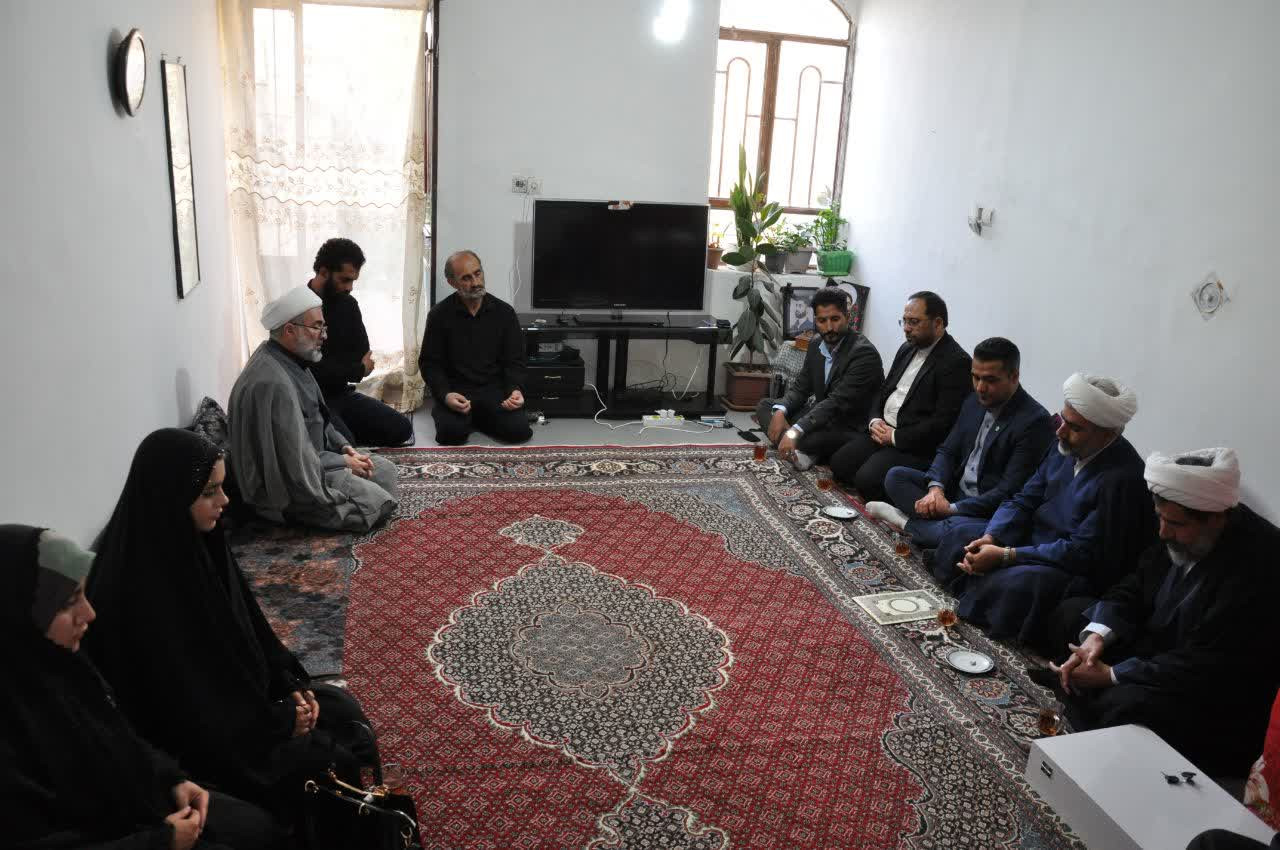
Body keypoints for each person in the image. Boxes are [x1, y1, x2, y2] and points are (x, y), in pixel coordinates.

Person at [84, 429, 380, 815]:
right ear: (172, 494)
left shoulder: (199, 541)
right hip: (199, 742)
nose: (224, 500)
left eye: (222, 488)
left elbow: (250, 629)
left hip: (240, 705)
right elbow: (186, 705)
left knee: (340, 709)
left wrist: (286, 684)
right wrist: (276, 722)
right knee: (323, 765)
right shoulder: (137, 588)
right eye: (209, 492)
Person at [1, 523, 284, 849]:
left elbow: (118, 738)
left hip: (137, 808)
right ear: (19, 615)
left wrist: (171, 779)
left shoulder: (64, 666)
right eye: (68, 603)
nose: (89, 614)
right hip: (121, 836)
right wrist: (160, 841)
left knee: (260, 826)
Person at [1037, 448, 1280, 778]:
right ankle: (1087, 686)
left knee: (1126, 703)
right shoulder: (1181, 527)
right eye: (1160, 519)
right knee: (1071, 616)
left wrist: (1112, 674)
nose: (1163, 533)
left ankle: (1091, 697)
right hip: (1158, 648)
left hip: (1208, 689)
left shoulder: (1260, 566)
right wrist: (1097, 638)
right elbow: (1135, 586)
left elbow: (1209, 665)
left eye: (1174, 524)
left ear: (1215, 519)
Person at [932, 372, 1157, 647]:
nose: (1060, 431)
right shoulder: (1064, 446)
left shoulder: (1123, 479)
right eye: (1062, 420)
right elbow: (1025, 498)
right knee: (960, 535)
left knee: (1016, 583)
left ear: (1107, 434)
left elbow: (1082, 552)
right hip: (1031, 538)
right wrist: (993, 537)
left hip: (1068, 566)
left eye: (1074, 427)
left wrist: (1007, 556)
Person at [229, 284, 398, 532]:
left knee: (386, 472)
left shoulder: (293, 360)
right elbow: (292, 462)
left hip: (316, 460)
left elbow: (319, 418)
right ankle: (293, 516)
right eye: (317, 327)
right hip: (292, 483)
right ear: (289, 330)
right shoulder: (273, 383)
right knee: (378, 503)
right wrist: (342, 462)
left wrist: (344, 447)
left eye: (323, 327)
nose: (324, 336)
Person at [868, 337, 1054, 552]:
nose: (980, 387)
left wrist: (952, 509)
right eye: (976, 377)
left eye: (990, 380)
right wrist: (936, 490)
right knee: (896, 477)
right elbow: (948, 450)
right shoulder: (974, 400)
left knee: (955, 533)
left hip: (986, 511)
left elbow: (1008, 492)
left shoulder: (1034, 422)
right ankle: (933, 528)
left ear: (1014, 377)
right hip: (954, 492)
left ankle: (906, 522)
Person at [829, 291, 971, 501]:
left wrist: (894, 437)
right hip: (883, 430)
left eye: (914, 322)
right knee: (839, 464)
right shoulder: (907, 348)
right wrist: (875, 419)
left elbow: (943, 424)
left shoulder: (956, 362)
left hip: (913, 444)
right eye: (904, 321)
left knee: (866, 481)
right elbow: (883, 390)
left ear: (938, 323)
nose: (906, 328)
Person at [755, 287, 884, 470]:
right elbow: (801, 388)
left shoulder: (863, 354)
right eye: (822, 321)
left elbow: (836, 403)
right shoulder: (816, 344)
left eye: (835, 319)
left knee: (807, 435)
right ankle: (804, 449)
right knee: (767, 407)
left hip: (847, 424)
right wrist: (781, 412)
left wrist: (794, 431)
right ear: (815, 320)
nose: (829, 328)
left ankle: (801, 446)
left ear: (848, 317)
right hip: (822, 416)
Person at [306, 238, 414, 448]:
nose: (350, 288)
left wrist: (346, 368)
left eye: (353, 281)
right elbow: (309, 368)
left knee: (401, 428)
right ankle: (338, 435)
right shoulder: (298, 307)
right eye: (344, 280)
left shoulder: (348, 304)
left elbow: (363, 354)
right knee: (345, 446)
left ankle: (339, 432)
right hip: (311, 399)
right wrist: (355, 369)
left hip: (341, 394)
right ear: (324, 272)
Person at [419, 250, 532, 445]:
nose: (475, 282)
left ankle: (476, 419)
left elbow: (515, 360)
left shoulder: (505, 313)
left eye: (478, 274)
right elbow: (430, 364)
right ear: (452, 282)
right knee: (450, 435)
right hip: (457, 391)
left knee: (519, 432)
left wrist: (515, 390)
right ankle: (474, 419)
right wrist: (445, 395)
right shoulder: (439, 315)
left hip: (494, 391)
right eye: (466, 278)